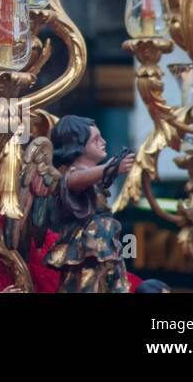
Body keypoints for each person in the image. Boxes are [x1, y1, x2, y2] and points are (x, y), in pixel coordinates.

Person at [44, 115, 134, 293]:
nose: (104, 142)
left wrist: (111, 170)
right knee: (86, 284)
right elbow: (75, 181)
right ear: (77, 145)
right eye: (96, 139)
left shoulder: (93, 176)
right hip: (86, 245)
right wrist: (111, 167)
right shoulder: (72, 174)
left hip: (104, 239)